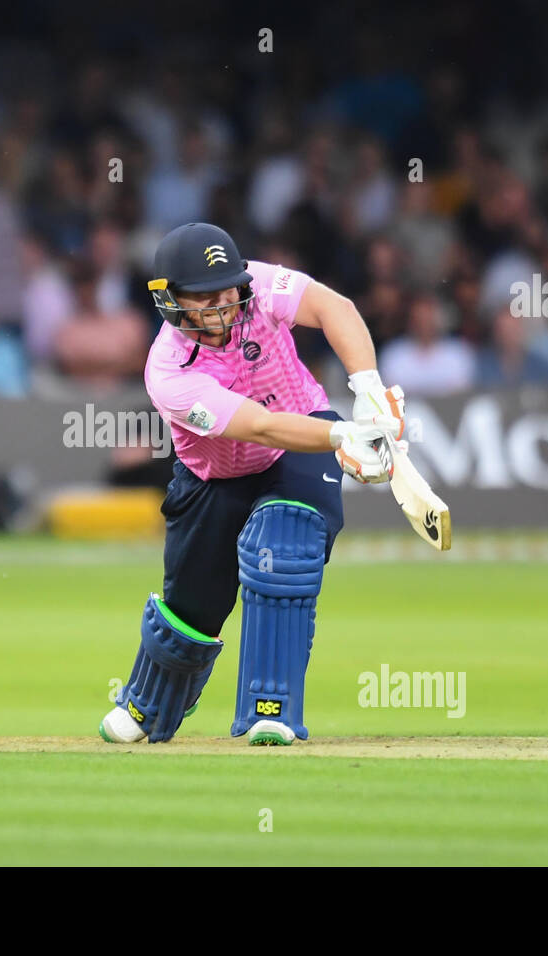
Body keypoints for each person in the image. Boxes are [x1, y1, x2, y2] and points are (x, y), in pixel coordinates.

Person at [99, 222, 405, 747]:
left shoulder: (261, 288)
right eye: (202, 298)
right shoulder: (167, 371)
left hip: (296, 446)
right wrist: (343, 436)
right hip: (215, 477)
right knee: (193, 610)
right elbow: (257, 425)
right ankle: (150, 702)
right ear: (170, 300)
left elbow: (336, 308)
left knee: (283, 547)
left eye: (225, 292)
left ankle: (272, 709)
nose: (220, 307)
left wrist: (369, 389)